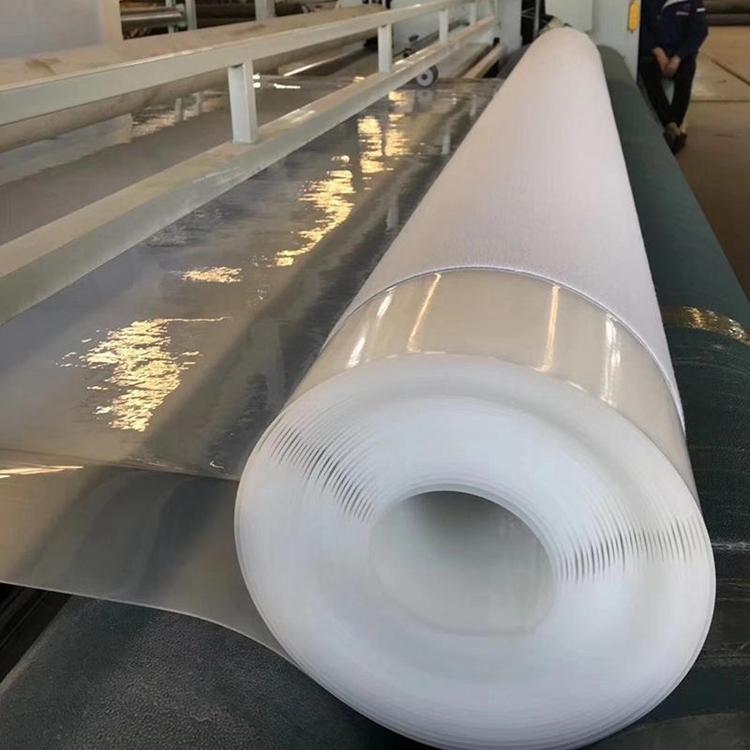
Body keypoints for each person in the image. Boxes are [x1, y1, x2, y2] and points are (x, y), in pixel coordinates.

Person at [640, 0, 708, 153]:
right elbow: (641, 26)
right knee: (649, 75)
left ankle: (672, 127)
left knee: (685, 76)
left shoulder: (692, 3)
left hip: (681, 54)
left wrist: (678, 57)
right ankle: (673, 128)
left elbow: (699, 32)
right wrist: (657, 51)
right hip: (654, 52)